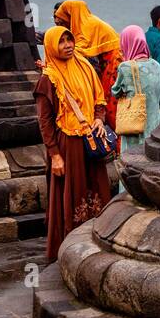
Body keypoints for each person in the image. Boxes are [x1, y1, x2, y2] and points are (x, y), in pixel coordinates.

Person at [36, 26, 113, 262]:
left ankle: (98, 238)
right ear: (51, 46)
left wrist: (99, 119)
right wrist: (55, 155)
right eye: (61, 42)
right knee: (73, 194)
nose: (67, 45)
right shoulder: (48, 79)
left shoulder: (84, 66)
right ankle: (71, 248)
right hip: (67, 144)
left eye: (69, 40)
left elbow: (99, 98)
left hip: (90, 139)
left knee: (99, 189)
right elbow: (45, 122)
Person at [53, 0, 123, 130]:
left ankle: (115, 139)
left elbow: (77, 49)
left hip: (113, 62)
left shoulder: (86, 25)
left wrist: (52, 60)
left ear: (71, 16)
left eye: (63, 22)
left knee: (110, 102)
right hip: (108, 61)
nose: (63, 27)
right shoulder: (86, 21)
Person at [112, 25, 160, 152]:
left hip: (134, 126)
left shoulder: (125, 67)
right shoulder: (156, 64)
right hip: (154, 124)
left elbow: (115, 91)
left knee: (133, 163)